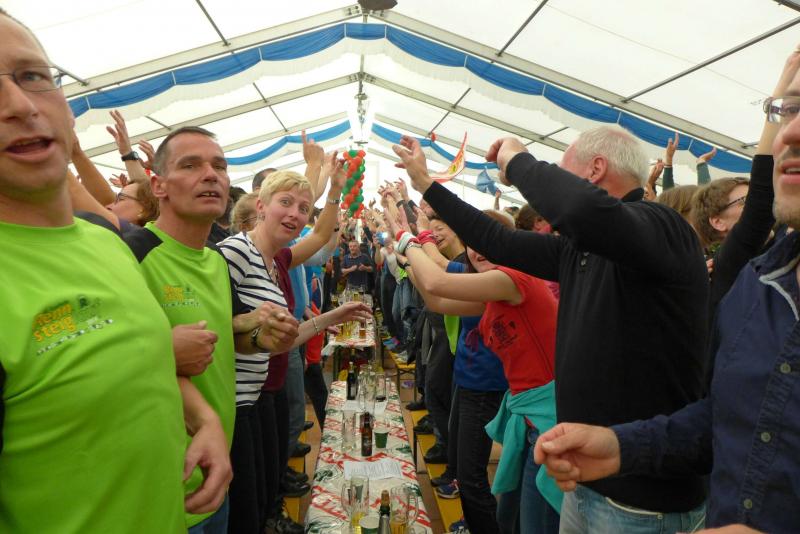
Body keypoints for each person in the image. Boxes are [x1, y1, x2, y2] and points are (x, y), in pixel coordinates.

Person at [533, 51, 800, 534]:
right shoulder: (757, 285)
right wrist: (621, 446)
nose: (789, 132)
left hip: (646, 506)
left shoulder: (720, 262)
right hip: (620, 483)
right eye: (790, 111)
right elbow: (730, 417)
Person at [393, 125, 709, 532]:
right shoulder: (579, 249)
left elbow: (577, 208)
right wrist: (425, 184)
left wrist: (516, 159)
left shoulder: (663, 226)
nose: (553, 183)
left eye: (561, 170)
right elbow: (496, 239)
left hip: (643, 503)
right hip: (585, 479)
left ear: (595, 169)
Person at [0, 8, 211, 533]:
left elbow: (144, 364)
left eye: (32, 76)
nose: (19, 104)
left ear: (67, 109)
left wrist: (203, 420)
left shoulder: (106, 243)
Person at [396, 209, 560, 534]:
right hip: (528, 417)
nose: (477, 250)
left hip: (547, 419)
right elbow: (438, 300)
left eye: (487, 241)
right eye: (473, 242)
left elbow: (437, 280)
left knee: (494, 496)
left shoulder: (512, 278)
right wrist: (407, 255)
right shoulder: (495, 291)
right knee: (509, 512)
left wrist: (407, 240)